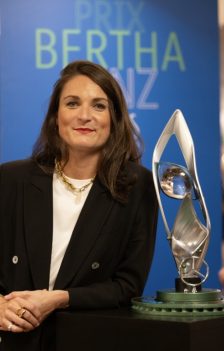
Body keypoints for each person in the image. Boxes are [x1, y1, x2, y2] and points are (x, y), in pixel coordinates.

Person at [0, 60, 158, 350]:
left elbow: (127, 287)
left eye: (99, 106)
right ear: (55, 117)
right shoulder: (10, 180)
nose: (85, 116)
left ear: (115, 118)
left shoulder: (138, 185)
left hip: (86, 337)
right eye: (72, 103)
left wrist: (60, 298)